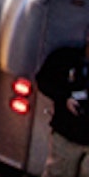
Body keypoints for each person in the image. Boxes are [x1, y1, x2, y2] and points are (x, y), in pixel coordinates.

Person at [36, 27, 89, 176]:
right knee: (58, 171)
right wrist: (64, 98)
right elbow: (43, 81)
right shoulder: (65, 58)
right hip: (67, 134)